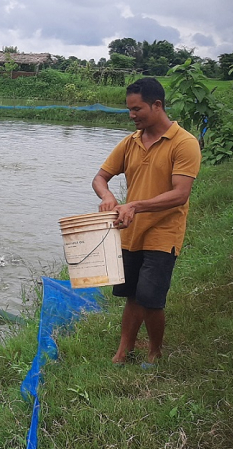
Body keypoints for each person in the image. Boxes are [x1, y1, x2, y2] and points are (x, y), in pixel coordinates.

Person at [92, 77, 201, 367]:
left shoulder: (184, 143)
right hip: (130, 230)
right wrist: (107, 198)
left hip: (164, 232)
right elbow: (100, 177)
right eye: (129, 109)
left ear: (157, 105)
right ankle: (123, 350)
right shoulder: (131, 143)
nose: (132, 115)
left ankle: (154, 352)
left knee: (151, 298)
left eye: (137, 109)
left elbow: (180, 194)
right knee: (132, 295)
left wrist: (135, 205)